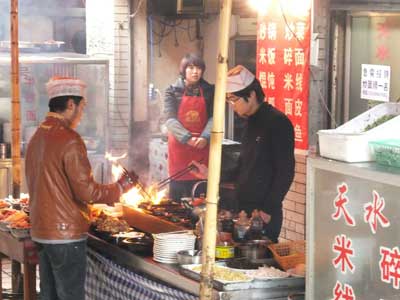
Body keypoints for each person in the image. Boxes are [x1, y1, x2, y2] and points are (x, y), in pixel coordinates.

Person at [25, 76, 138, 300]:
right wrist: (120, 187)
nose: (82, 113)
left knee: (49, 294)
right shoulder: (70, 139)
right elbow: (87, 192)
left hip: (41, 230)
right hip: (65, 235)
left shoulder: (36, 136)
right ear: (70, 105)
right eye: (82, 107)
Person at [191, 65, 295, 242]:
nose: (231, 106)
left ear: (252, 94)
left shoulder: (278, 122)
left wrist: (268, 210)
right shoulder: (249, 123)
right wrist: (211, 174)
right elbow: (242, 167)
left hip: (262, 212)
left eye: (234, 99)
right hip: (243, 208)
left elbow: (285, 172)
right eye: (228, 101)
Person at [163, 53, 214, 201]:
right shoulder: (172, 90)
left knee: (200, 196)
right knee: (177, 199)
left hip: (202, 146)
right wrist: (187, 138)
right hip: (180, 148)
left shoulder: (210, 90)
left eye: (198, 68)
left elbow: (215, 117)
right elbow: (169, 119)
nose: (195, 71)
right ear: (183, 70)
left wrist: (205, 136)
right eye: (191, 68)